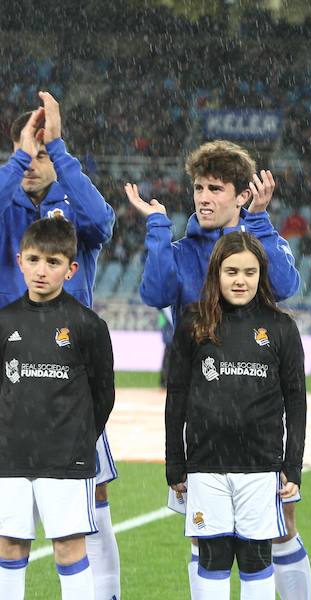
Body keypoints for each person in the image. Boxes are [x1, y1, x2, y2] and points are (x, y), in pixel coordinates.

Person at [127, 140, 311, 599]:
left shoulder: (257, 245)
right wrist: (155, 227)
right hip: (203, 422)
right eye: (198, 187)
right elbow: (152, 293)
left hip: (259, 422)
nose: (204, 197)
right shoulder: (181, 249)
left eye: (216, 188)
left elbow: (286, 285)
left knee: (281, 529)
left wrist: (262, 223)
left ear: (241, 196)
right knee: (203, 538)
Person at [0, 93, 120, 599]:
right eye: (26, 151)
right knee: (9, 527)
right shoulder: (6, 199)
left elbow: (105, 221)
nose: (33, 162)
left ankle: (108, 592)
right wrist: (20, 157)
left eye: (42, 155)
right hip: (13, 372)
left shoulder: (73, 212)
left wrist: (60, 148)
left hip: (69, 372)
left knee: (92, 502)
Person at [165, 232, 307, 600]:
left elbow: (296, 403)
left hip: (260, 468)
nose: (240, 280)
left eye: (249, 271)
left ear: (261, 275)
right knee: (212, 559)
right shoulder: (194, 322)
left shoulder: (280, 327)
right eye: (231, 271)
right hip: (206, 466)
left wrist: (292, 465)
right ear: (216, 273)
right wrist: (174, 462)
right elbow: (176, 397)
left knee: (256, 560)